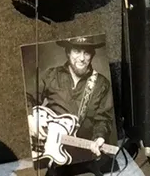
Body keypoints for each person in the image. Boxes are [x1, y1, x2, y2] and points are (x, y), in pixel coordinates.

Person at [27, 37, 116, 175]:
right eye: (76, 51)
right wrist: (31, 119)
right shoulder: (51, 75)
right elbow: (27, 97)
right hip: (51, 152)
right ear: (68, 53)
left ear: (92, 55)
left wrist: (100, 137)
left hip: (85, 156)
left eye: (86, 53)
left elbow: (103, 119)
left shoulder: (101, 84)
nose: (81, 58)